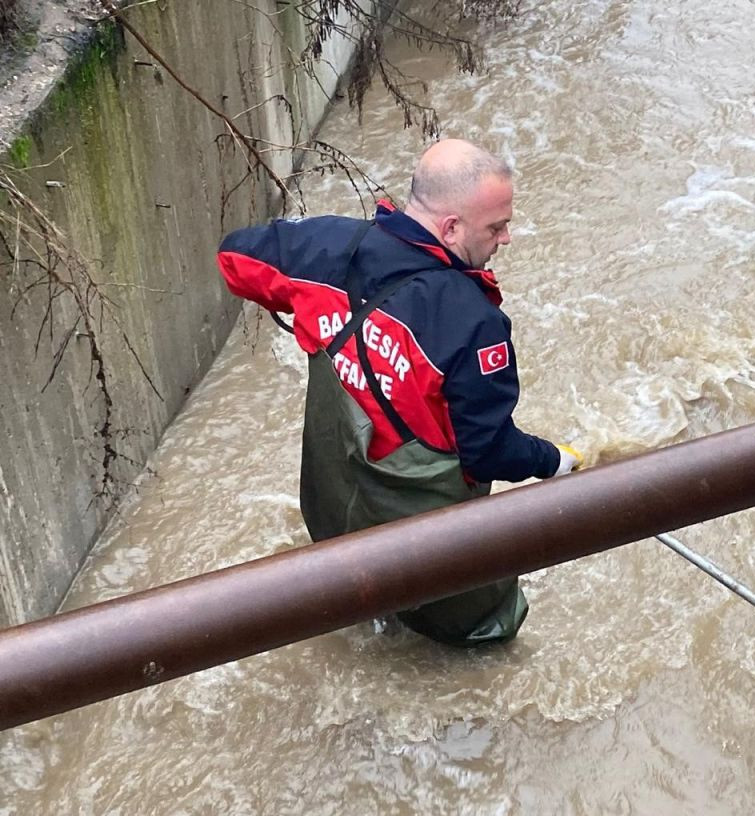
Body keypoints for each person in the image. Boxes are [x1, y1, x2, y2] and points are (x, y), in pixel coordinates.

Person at [217, 138, 579, 646]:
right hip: (423, 534)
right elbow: (488, 453)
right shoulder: (474, 323)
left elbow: (233, 255)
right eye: (496, 227)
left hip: (335, 502)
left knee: (347, 594)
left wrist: (314, 312)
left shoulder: (327, 248)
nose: (506, 239)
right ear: (451, 227)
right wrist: (554, 461)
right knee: (486, 637)